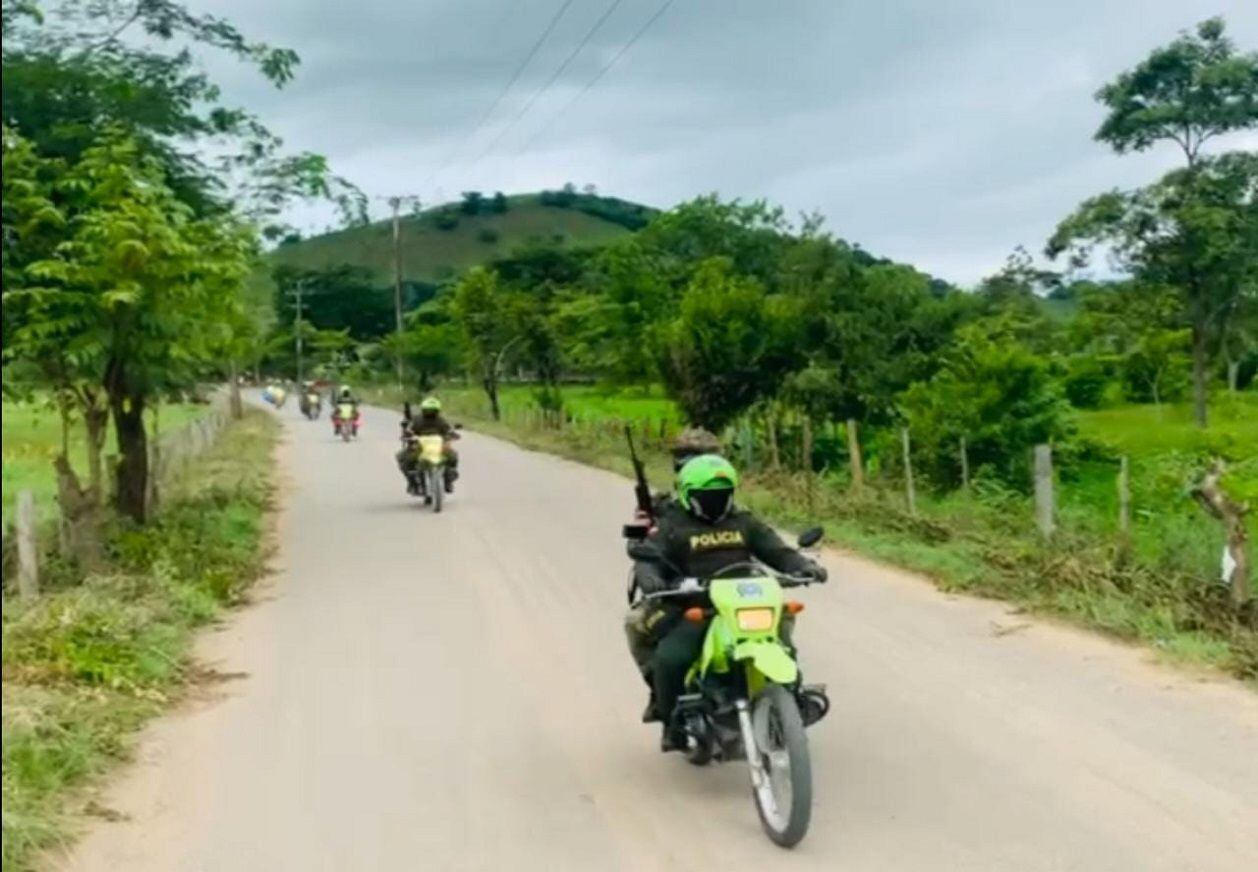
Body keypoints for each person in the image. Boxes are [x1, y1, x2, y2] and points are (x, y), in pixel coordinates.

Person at [628, 454, 826, 751]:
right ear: (687, 494)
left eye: (721, 495)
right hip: (697, 605)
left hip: (746, 603)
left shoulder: (744, 522)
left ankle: (790, 700)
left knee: (783, 640)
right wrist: (652, 580)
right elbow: (648, 559)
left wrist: (803, 566)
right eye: (707, 496)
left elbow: (778, 552)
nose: (715, 501)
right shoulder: (672, 525)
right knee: (671, 658)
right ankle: (672, 724)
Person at [623, 427, 725, 681]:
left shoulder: (730, 503)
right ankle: (660, 686)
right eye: (685, 457)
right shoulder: (662, 506)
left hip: (730, 585)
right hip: (678, 589)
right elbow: (642, 550)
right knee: (637, 621)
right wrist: (644, 529)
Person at [397, 396, 459, 493]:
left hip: (437, 447)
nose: (430, 412)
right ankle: (412, 482)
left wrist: (452, 435)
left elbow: (448, 430)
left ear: (437, 411)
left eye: (433, 410)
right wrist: (408, 436)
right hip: (420, 446)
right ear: (423, 410)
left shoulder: (441, 420)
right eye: (428, 410)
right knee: (403, 457)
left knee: (453, 456)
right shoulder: (417, 420)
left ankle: (448, 480)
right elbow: (409, 430)